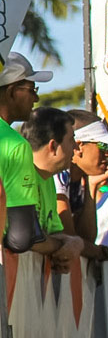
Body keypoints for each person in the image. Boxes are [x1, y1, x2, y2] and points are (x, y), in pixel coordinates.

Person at [0, 52, 59, 254]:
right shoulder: (15, 145)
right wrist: (60, 246)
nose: (36, 97)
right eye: (31, 89)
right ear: (11, 91)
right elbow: (20, 239)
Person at [19, 108, 85, 272]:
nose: (76, 148)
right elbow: (28, 237)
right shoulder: (19, 175)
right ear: (54, 146)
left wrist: (75, 243)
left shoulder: (47, 179)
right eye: (72, 140)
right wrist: (67, 245)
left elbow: (56, 233)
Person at [55, 110, 108, 260]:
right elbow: (70, 238)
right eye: (103, 145)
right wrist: (98, 252)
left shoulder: (82, 181)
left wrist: (92, 186)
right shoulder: (58, 173)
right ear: (78, 147)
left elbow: (85, 238)